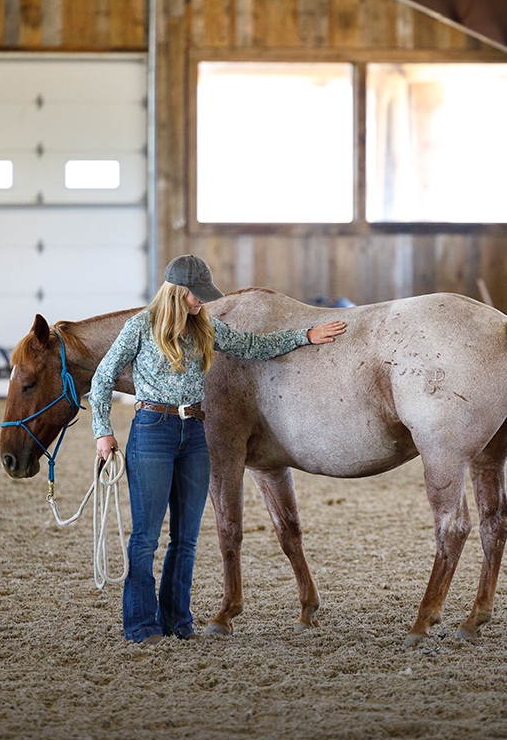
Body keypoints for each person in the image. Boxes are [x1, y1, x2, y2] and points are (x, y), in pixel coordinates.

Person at [89, 255, 346, 645]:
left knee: (186, 537)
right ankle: (142, 624)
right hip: (152, 430)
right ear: (178, 292)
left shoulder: (205, 326)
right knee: (145, 537)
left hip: (195, 431)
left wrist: (305, 336)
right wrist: (102, 431)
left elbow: (252, 346)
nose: (202, 302)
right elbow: (103, 377)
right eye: (196, 296)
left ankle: (178, 620)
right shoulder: (139, 327)